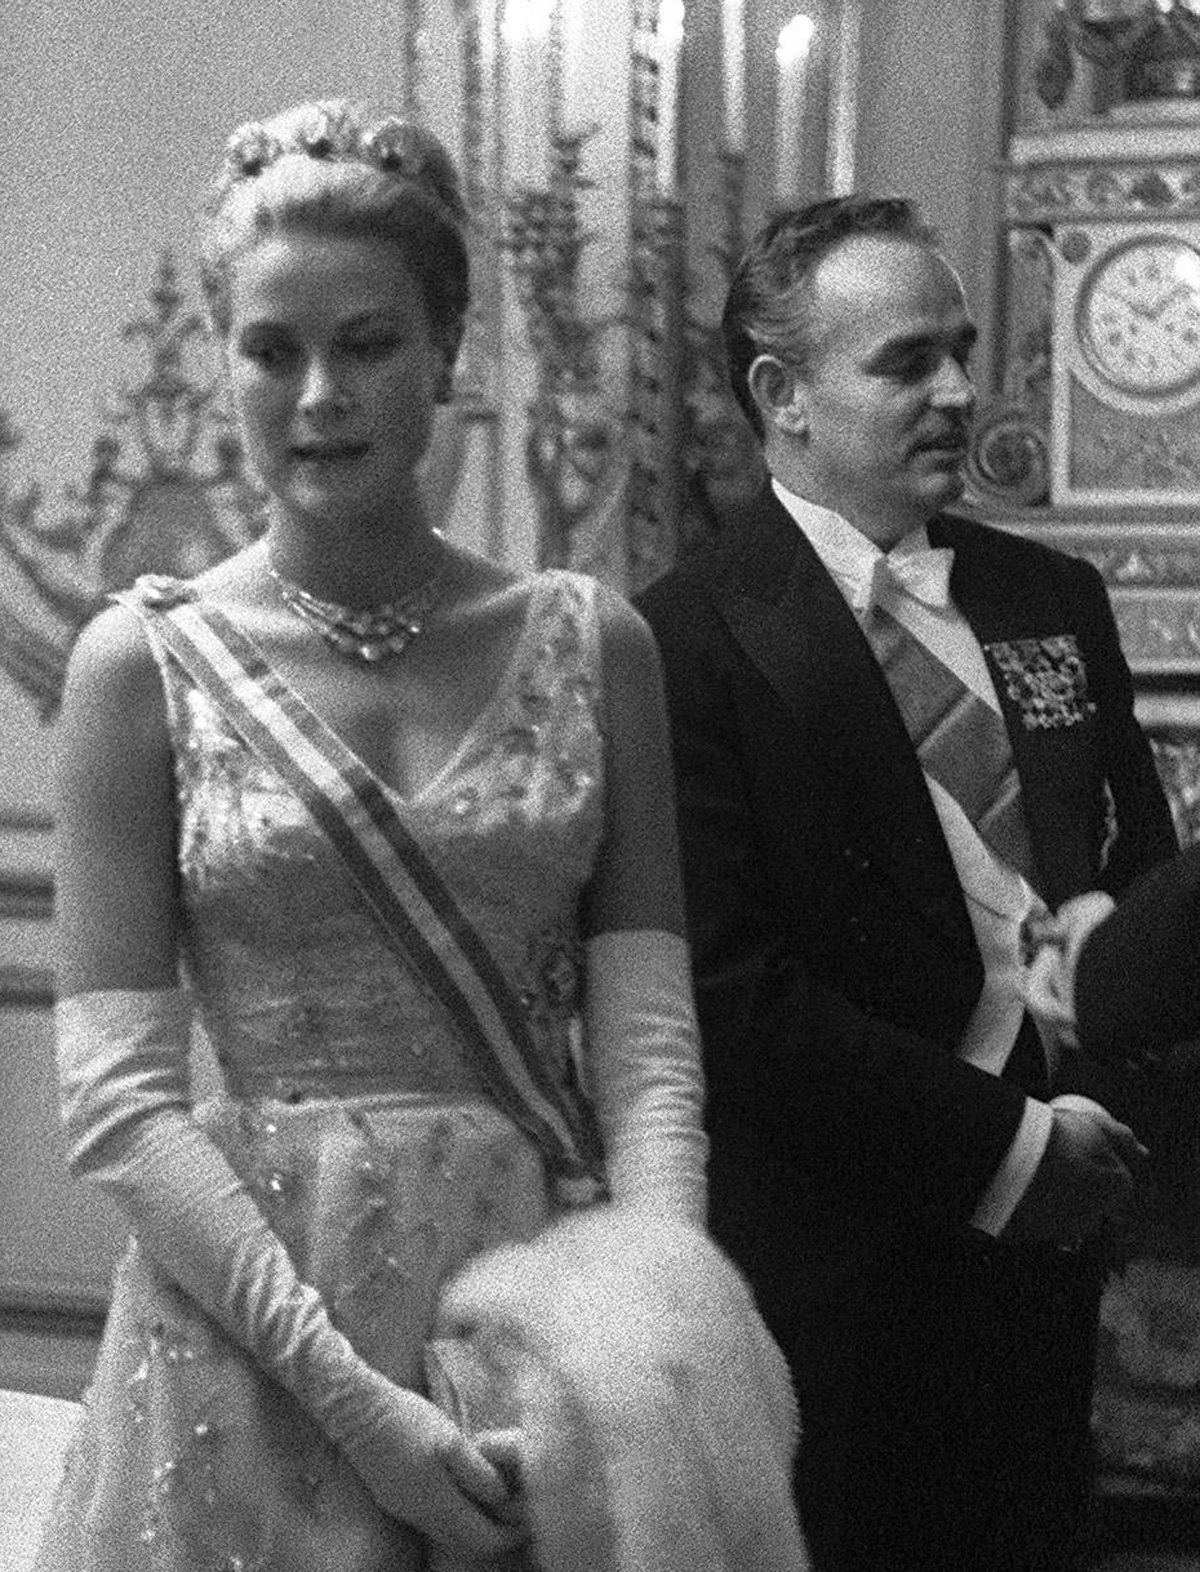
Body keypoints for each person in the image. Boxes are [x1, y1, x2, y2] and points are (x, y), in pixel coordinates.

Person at [36, 99, 803, 1572]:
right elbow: (121, 1106)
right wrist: (362, 1411)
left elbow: (647, 1055)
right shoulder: (141, 668)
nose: (318, 394)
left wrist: (640, 1330)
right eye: (272, 350)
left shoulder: (597, 644)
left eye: (369, 343)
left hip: (529, 1313)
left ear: (447, 352)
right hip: (251, 1339)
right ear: (226, 362)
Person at [636, 195, 1180, 1572]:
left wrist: (1088, 1107)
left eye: (963, 349)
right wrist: (999, 1146)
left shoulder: (1051, 597)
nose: (956, 390)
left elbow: (1144, 880)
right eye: (903, 363)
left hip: (1054, 1246)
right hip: (838, 1262)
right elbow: (731, 993)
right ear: (782, 394)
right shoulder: (678, 638)